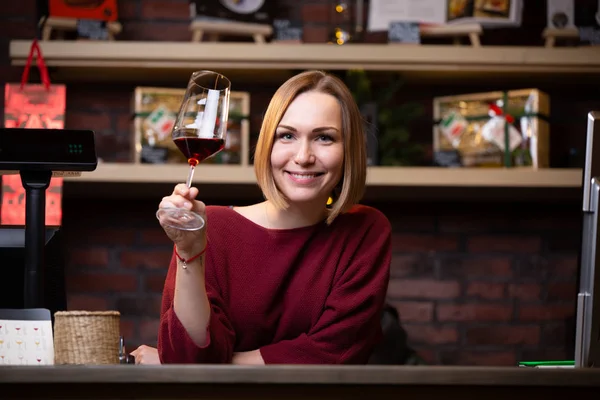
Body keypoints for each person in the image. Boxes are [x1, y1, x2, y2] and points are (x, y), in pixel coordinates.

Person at [131, 70, 392, 365]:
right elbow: (187, 359)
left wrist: (220, 366)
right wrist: (189, 253)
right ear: (268, 146)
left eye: (324, 137)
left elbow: (333, 354)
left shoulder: (365, 230)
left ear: (349, 151)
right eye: (287, 136)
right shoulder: (211, 227)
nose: (303, 155)